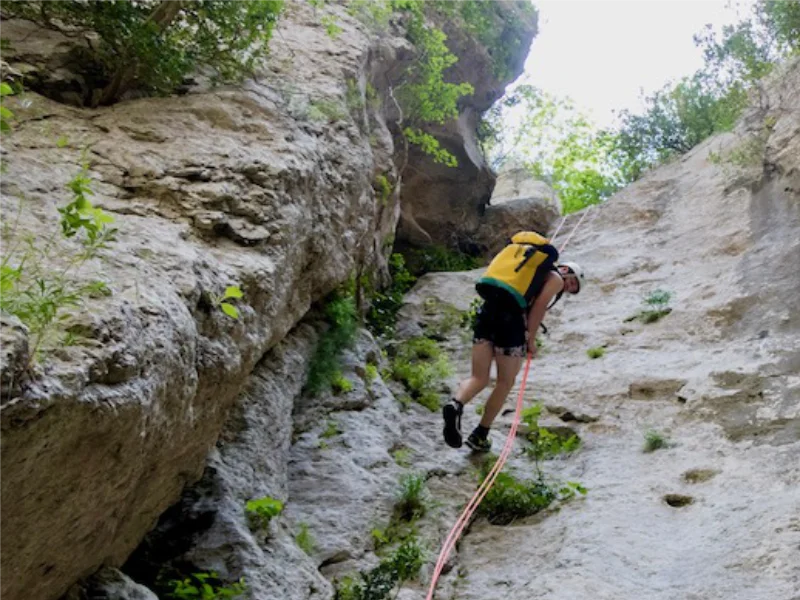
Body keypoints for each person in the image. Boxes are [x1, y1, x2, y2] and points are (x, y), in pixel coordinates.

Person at [442, 258, 585, 452]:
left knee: (479, 377)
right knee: (505, 382)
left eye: (573, 288)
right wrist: (531, 341)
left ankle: (456, 404)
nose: (569, 286)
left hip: (487, 313)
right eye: (573, 281)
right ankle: (480, 434)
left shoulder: (527, 269)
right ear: (566, 270)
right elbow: (538, 309)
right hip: (511, 325)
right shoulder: (555, 279)